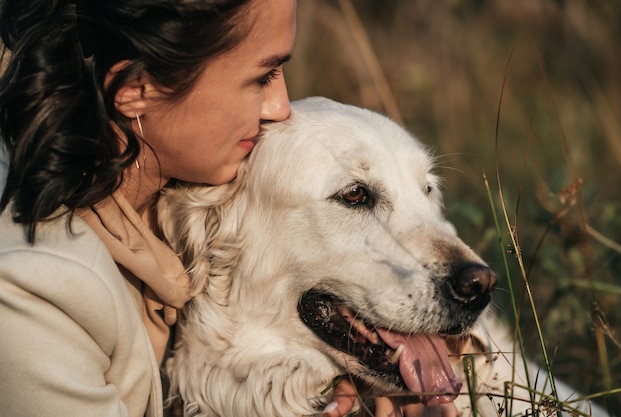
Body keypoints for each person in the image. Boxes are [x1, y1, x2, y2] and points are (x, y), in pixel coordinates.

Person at [0, 0, 455, 416]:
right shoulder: (35, 291)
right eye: (261, 77)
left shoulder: (176, 190)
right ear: (135, 88)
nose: (280, 107)